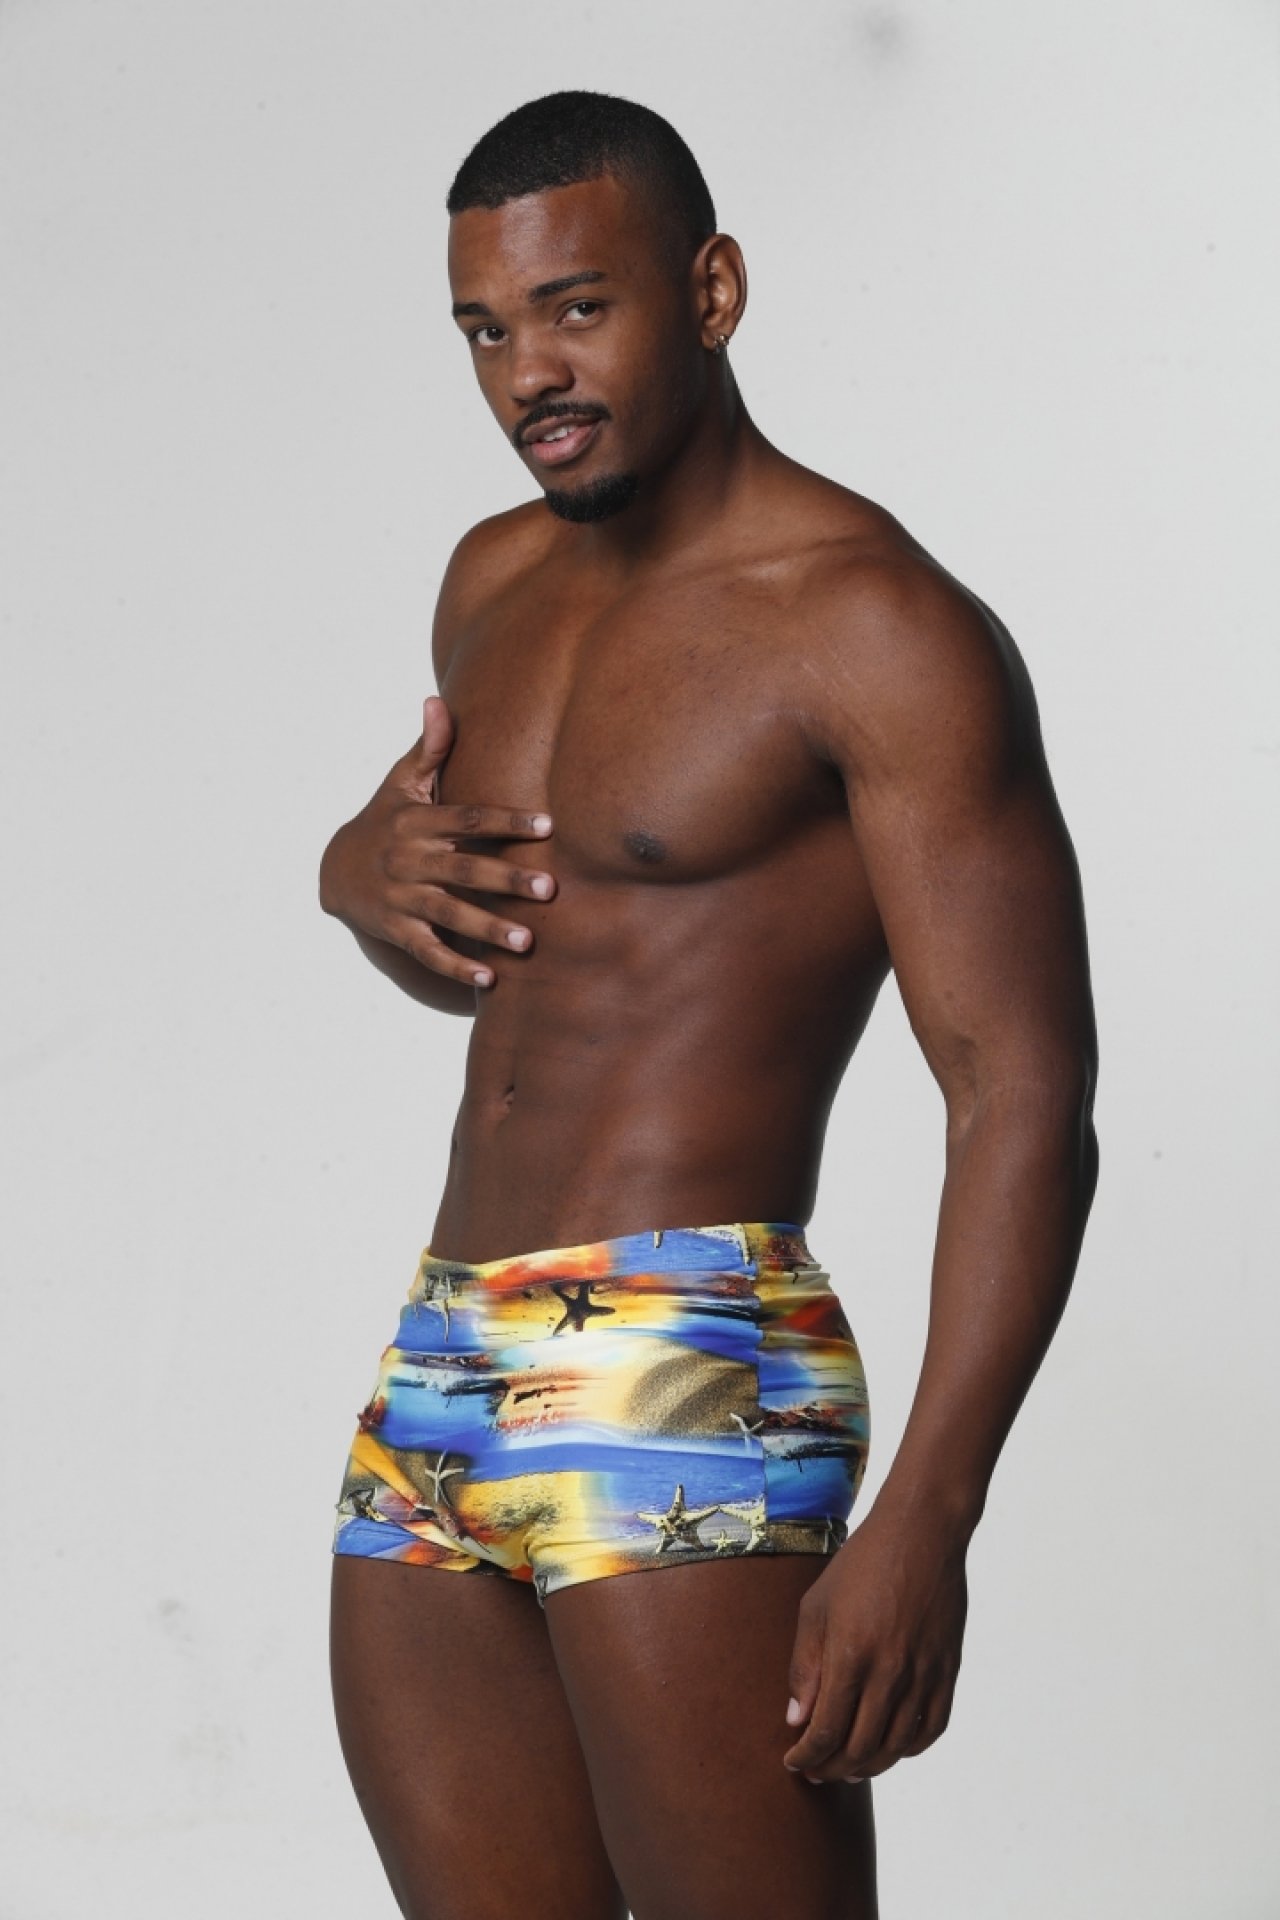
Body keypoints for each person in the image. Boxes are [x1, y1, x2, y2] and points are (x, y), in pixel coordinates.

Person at [318, 89, 1099, 1920]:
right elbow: (500, 960)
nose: (528, 373)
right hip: (442, 1358)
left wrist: (930, 1514)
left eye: (576, 309)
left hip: (687, 1363)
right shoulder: (491, 585)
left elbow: (1018, 1091)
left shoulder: (872, 624)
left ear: (713, 290)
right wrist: (354, 881)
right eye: (485, 330)